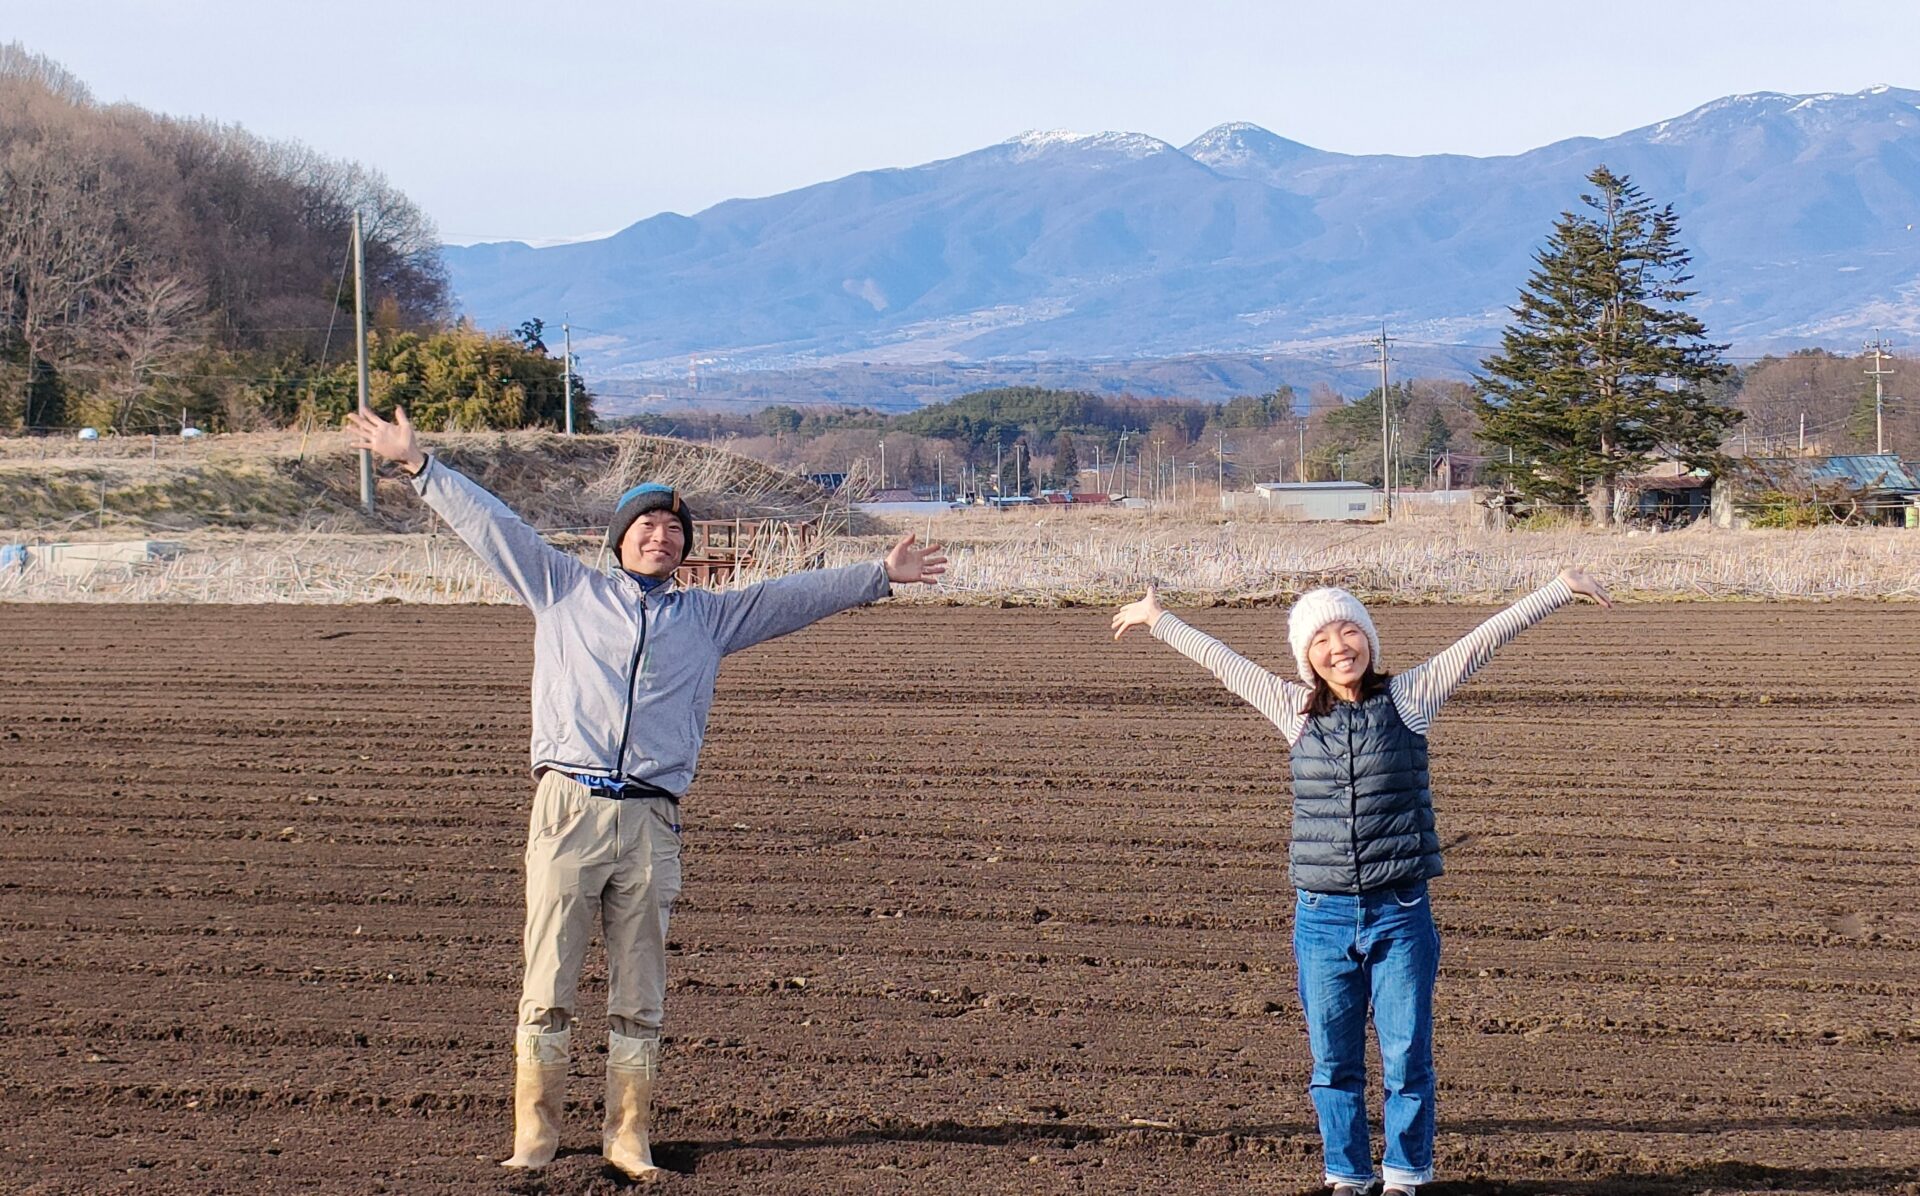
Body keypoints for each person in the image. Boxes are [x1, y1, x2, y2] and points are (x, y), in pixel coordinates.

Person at [345, 406, 946, 1179]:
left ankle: (628, 1134)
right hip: (568, 809)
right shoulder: (563, 589)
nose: (660, 536)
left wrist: (878, 577)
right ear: (619, 537)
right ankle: (536, 1132)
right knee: (548, 979)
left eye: (672, 528)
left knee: (640, 991)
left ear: (684, 546)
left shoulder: (710, 617)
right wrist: (422, 467)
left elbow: (793, 596)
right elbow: (493, 527)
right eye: (647, 525)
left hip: (652, 821)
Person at [1110, 569, 1611, 1195]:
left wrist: (1559, 587)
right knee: (1333, 1062)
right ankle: (1347, 1177)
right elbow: (1225, 662)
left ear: (1369, 641)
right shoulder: (1291, 708)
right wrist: (1160, 620)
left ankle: (1404, 1176)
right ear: (1307, 658)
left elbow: (1483, 639)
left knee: (1406, 1058)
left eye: (1350, 630)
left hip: (1399, 910)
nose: (1339, 646)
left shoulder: (1410, 697)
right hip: (1320, 914)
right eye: (1322, 638)